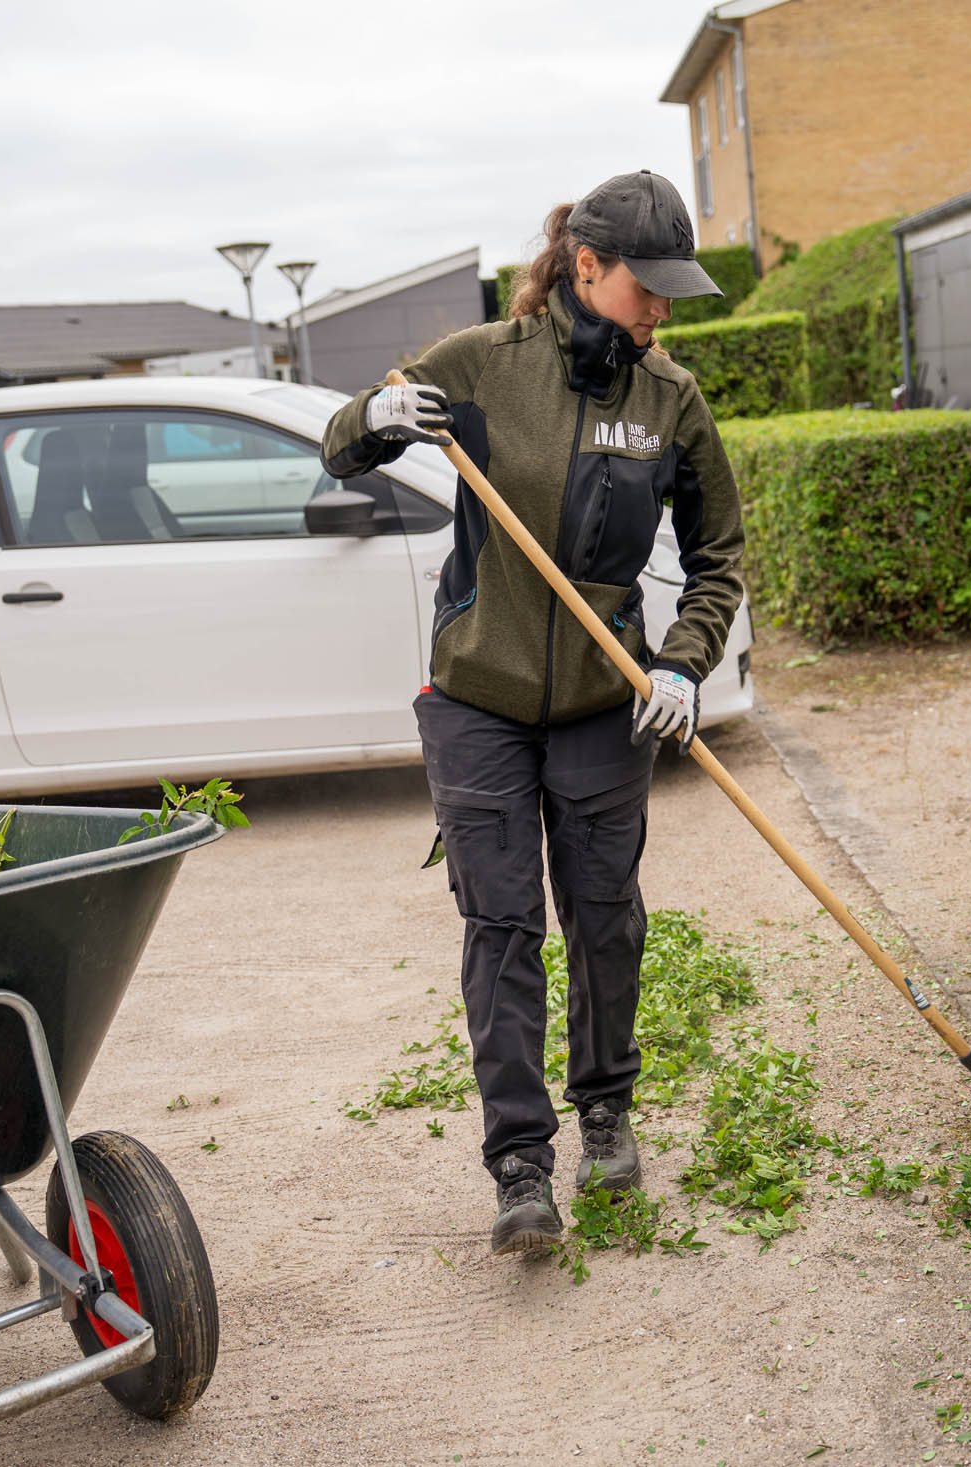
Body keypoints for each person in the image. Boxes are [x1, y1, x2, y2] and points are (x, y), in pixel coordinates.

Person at [323, 171, 746, 1253]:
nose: (662, 308)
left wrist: (683, 667)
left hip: (608, 701)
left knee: (604, 918)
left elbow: (719, 559)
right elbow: (340, 441)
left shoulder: (669, 399)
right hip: (480, 699)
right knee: (502, 926)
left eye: (673, 290)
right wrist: (377, 418)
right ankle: (520, 1163)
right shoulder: (483, 364)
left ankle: (606, 1113)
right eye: (647, 286)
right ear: (586, 267)